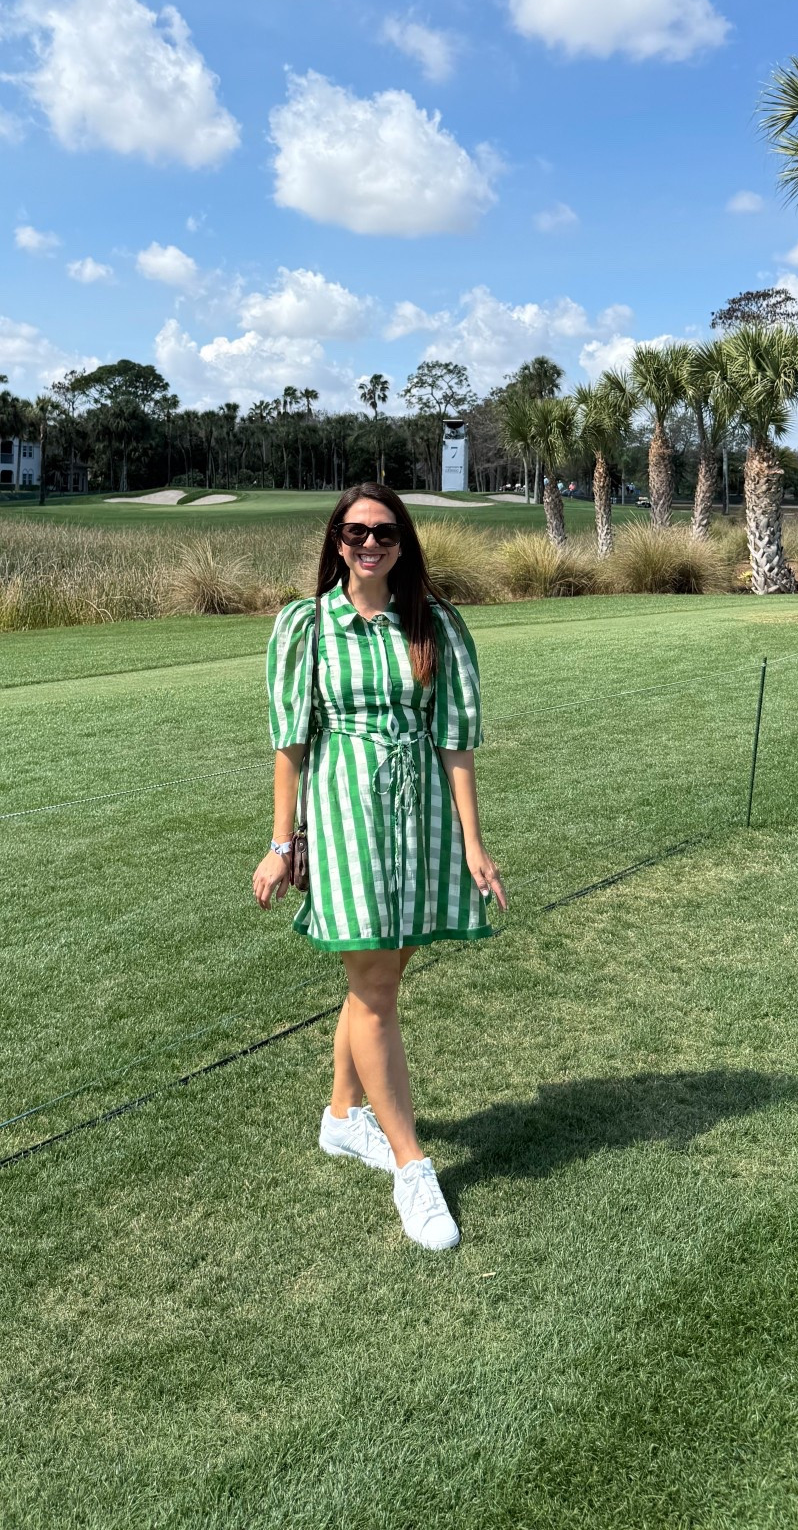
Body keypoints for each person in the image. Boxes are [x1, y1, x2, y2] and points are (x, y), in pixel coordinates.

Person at [253, 483, 507, 1250]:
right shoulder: (307, 626)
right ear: (337, 541)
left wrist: (472, 843)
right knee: (376, 990)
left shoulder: (435, 623)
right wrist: (281, 844)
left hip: (419, 817)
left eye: (386, 532)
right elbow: (291, 742)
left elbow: (455, 739)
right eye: (357, 531)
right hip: (343, 818)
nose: (370, 544)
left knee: (380, 979)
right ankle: (411, 1164)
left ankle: (342, 1116)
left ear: (403, 542)